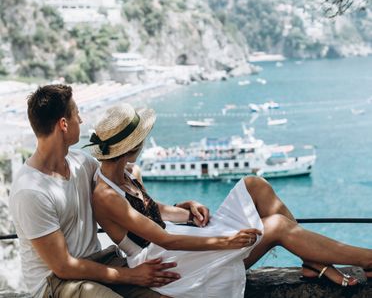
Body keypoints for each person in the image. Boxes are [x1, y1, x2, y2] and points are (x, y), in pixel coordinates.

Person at [90, 102, 372, 298]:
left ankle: (312, 260)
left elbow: (153, 212)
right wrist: (228, 242)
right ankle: (366, 259)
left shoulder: (131, 172)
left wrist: (186, 210)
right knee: (275, 226)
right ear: (130, 146)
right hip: (164, 263)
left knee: (255, 184)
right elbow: (163, 240)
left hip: (174, 243)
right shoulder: (105, 196)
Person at [9, 84, 181, 298]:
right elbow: (63, 266)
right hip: (56, 283)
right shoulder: (30, 191)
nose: (80, 121)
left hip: (98, 263)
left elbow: (123, 195)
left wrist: (180, 210)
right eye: (77, 114)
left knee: (172, 290)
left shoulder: (82, 163)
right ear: (63, 124)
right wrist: (132, 276)